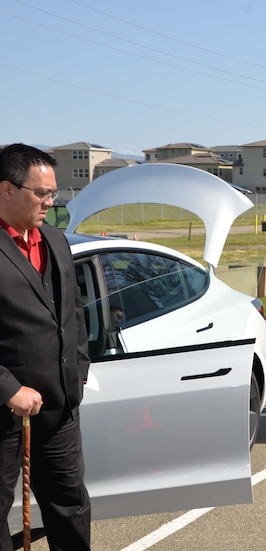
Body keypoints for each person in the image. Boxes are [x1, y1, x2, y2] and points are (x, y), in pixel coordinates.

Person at [0, 144, 92, 549]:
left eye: (53, 193)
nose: (50, 202)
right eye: (41, 193)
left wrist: (78, 374)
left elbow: (73, 316)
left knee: (70, 506)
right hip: (4, 416)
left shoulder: (55, 240)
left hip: (59, 411)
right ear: (6, 189)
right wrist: (9, 390)